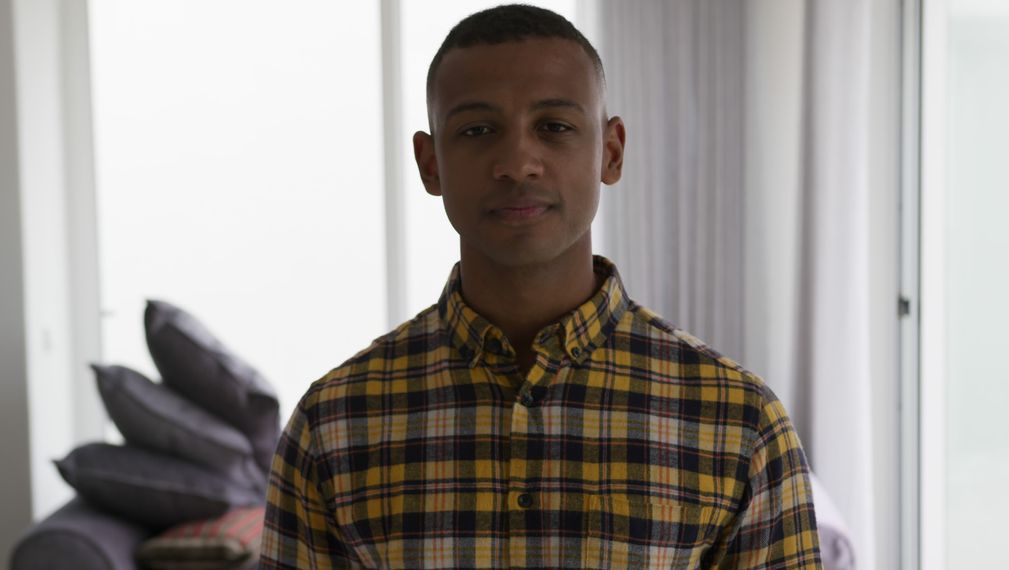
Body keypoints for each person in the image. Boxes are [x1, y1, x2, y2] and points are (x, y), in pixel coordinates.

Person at [261, 4, 820, 568]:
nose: (517, 162)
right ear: (430, 165)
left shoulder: (737, 422)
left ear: (611, 151)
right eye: (478, 130)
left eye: (554, 127)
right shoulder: (334, 425)